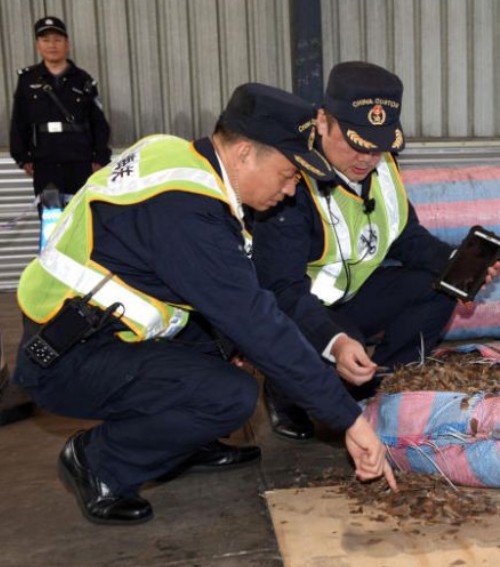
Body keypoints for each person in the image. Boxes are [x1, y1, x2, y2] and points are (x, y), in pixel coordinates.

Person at [13, 82, 396, 526]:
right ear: (246, 153)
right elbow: (257, 322)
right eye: (290, 174)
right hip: (64, 357)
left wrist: (331, 341)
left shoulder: (182, 158)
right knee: (229, 395)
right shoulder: (186, 213)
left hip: (93, 330)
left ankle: (183, 442)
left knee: (225, 343)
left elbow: (260, 292)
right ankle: (98, 462)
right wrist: (349, 418)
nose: (291, 191)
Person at [251, 61, 499, 440]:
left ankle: (386, 382)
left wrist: (455, 263)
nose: (367, 159)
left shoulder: (381, 166)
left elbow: (404, 235)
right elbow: (281, 291)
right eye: (355, 143)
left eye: (379, 146)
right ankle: (286, 391)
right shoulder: (290, 181)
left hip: (355, 295)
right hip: (302, 306)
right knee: (331, 356)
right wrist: (335, 342)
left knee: (438, 285)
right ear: (322, 121)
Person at [9, 16, 111, 217]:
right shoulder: (27, 80)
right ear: (38, 45)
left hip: (80, 162)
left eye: (57, 40)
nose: (52, 45)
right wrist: (22, 157)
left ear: (67, 44)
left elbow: (98, 123)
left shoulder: (84, 80)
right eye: (45, 40)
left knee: (81, 218)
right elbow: (19, 121)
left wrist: (100, 157)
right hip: (45, 163)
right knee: (51, 219)